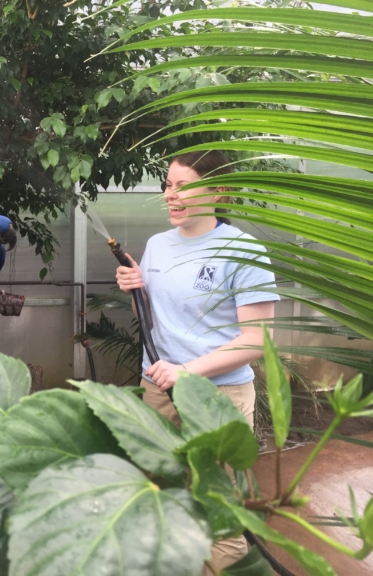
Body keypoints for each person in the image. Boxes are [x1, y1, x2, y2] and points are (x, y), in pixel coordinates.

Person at [115, 150, 279, 574]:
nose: (172, 195)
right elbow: (150, 320)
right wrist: (137, 289)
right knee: (163, 494)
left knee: (217, 507)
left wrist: (186, 371)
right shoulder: (157, 245)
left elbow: (257, 340)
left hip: (218, 399)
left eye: (184, 186)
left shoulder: (244, 251)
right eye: (168, 185)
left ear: (218, 190)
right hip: (159, 389)